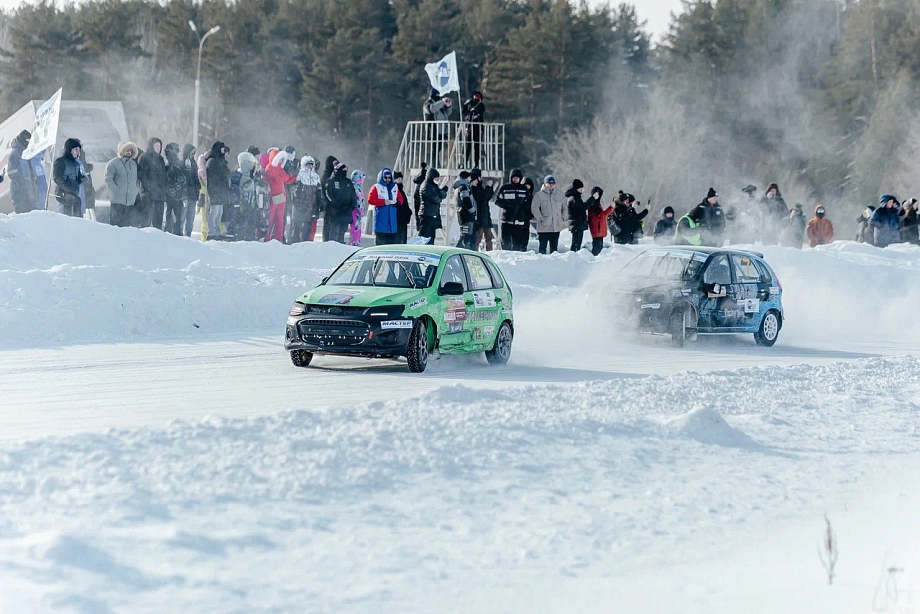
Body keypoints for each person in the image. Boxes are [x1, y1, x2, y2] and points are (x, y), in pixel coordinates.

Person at [263, 149, 298, 243]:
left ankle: (278, 238)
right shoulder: (269, 168)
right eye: (280, 159)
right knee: (270, 219)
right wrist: (288, 176)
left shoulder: (279, 168)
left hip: (281, 197)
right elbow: (280, 178)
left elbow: (286, 180)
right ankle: (267, 237)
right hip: (273, 198)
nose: (281, 161)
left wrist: (294, 176)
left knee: (280, 220)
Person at [104, 142, 139, 227]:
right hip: (117, 202)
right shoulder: (113, 163)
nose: (129, 152)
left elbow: (136, 180)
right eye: (127, 150)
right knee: (116, 227)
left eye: (131, 150)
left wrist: (135, 190)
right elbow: (108, 179)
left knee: (128, 227)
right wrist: (116, 190)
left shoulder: (133, 164)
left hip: (130, 202)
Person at [288, 155, 322, 243]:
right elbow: (294, 190)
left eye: (311, 165)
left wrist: (320, 203)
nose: (309, 167)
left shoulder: (315, 176)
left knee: (308, 226)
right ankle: (293, 241)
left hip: (311, 206)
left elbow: (318, 191)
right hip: (300, 205)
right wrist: (296, 202)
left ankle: (306, 242)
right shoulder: (299, 175)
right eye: (308, 165)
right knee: (297, 225)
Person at [367, 167, 405, 246]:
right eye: (385, 177)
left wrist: (398, 203)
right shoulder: (376, 187)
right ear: (382, 177)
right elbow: (370, 200)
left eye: (389, 178)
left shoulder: (395, 187)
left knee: (391, 246)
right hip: (381, 221)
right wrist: (383, 202)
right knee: (381, 245)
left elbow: (400, 198)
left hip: (392, 223)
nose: (388, 179)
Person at [323, 161, 357, 244]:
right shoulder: (331, 182)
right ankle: (332, 247)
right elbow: (327, 195)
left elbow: (353, 195)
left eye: (346, 171)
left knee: (342, 231)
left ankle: (341, 245)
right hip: (334, 212)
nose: (345, 172)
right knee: (334, 231)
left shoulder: (348, 182)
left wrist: (351, 206)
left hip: (346, 212)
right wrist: (337, 205)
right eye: (343, 170)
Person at [495, 168, 529, 252]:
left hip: (519, 220)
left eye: (517, 177)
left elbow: (528, 201)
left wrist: (522, 209)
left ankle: (516, 258)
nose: (515, 179)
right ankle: (505, 256)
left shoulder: (524, 189)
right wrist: (506, 206)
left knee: (517, 243)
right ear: (511, 178)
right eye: (514, 177)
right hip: (507, 219)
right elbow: (497, 200)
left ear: (520, 178)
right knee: (506, 242)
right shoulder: (505, 188)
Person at [137, 138, 167, 229]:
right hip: (148, 195)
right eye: (156, 146)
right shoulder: (144, 157)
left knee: (158, 223)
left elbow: (163, 177)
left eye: (160, 146)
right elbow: (142, 175)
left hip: (159, 197)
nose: (158, 148)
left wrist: (163, 190)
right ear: (151, 146)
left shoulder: (161, 159)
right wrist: (150, 187)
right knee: (146, 222)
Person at [531, 175, 566, 254]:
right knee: (542, 248)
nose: (551, 184)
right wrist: (541, 219)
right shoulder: (539, 195)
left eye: (553, 183)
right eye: (549, 183)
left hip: (556, 227)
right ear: (545, 183)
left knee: (554, 250)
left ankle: (553, 264)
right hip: (544, 227)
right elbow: (534, 208)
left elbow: (565, 207)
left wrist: (563, 218)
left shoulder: (559, 194)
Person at [205, 141, 232, 241]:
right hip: (215, 191)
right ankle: (211, 232)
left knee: (219, 212)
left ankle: (216, 231)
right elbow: (215, 178)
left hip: (221, 191)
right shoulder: (212, 161)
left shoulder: (220, 161)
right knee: (214, 211)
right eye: (222, 149)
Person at [52, 138, 85, 217]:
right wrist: (68, 189)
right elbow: (57, 178)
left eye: (79, 150)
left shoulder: (76, 163)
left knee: (76, 217)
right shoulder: (60, 162)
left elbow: (77, 177)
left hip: (75, 194)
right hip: (64, 195)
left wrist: (81, 179)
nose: (78, 152)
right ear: (70, 149)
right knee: (67, 218)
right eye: (76, 149)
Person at [231, 151, 259, 241]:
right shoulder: (238, 175)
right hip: (243, 204)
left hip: (251, 203)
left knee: (251, 222)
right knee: (243, 222)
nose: (252, 165)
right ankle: (240, 238)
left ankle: (249, 238)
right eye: (250, 163)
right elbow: (236, 189)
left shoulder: (251, 175)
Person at [8, 130, 37, 213]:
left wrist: (34, 182)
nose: (29, 143)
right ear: (22, 140)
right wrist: (22, 182)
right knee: (22, 214)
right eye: (27, 140)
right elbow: (11, 172)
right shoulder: (15, 153)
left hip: (29, 191)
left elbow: (31, 171)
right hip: (19, 191)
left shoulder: (28, 153)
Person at [163, 143, 187, 235]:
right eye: (176, 150)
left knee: (178, 218)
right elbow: (167, 179)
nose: (177, 152)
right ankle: (170, 233)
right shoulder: (168, 163)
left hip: (178, 195)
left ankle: (177, 233)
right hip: (172, 195)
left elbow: (184, 179)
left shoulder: (178, 162)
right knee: (170, 217)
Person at [418, 167, 447, 245]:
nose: (437, 180)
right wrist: (440, 195)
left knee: (431, 237)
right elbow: (436, 198)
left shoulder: (433, 185)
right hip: (426, 215)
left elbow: (441, 194)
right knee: (424, 237)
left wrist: (444, 189)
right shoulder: (426, 186)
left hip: (432, 215)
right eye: (436, 178)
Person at [470, 168, 494, 251]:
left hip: (485, 217)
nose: (481, 179)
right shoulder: (474, 188)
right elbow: (483, 198)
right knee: (478, 239)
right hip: (479, 218)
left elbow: (488, 197)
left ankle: (490, 252)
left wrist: (490, 188)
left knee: (489, 238)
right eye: (480, 177)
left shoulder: (479, 188)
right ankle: (475, 252)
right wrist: (488, 187)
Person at [454, 170, 477, 250]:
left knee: (465, 235)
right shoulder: (463, 188)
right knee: (465, 236)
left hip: (463, 215)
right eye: (469, 177)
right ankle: (459, 251)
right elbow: (466, 201)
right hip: (466, 216)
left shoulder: (459, 187)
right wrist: (473, 211)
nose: (471, 179)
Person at [462, 91, 486, 167]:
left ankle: (476, 163)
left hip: (477, 127)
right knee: (467, 146)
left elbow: (481, 112)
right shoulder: (469, 103)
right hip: (469, 126)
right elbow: (465, 111)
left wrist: (475, 109)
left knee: (477, 146)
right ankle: (464, 162)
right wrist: (470, 109)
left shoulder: (481, 106)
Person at [586, 187, 611, 256]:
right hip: (597, 230)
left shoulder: (597, 204)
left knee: (599, 248)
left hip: (599, 230)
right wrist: (611, 208)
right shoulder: (593, 205)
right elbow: (601, 216)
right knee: (597, 249)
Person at [181, 145, 199, 236]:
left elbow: (196, 177)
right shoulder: (183, 162)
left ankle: (188, 233)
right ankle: (181, 233)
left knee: (191, 218)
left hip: (193, 194)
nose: (193, 154)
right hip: (186, 194)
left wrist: (197, 189)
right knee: (183, 216)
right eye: (192, 152)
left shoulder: (194, 162)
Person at [565, 179, 588, 252]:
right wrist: (592, 198)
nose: (582, 190)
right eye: (580, 188)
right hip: (576, 224)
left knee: (577, 243)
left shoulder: (575, 197)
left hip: (577, 224)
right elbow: (583, 207)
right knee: (576, 244)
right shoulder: (574, 198)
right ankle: (573, 258)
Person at [350, 169, 367, 246]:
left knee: (355, 228)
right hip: (356, 211)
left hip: (354, 211)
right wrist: (362, 212)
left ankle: (355, 242)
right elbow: (359, 201)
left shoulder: (353, 186)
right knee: (356, 229)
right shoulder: (357, 188)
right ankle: (355, 243)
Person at [394, 171, 411, 244]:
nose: (400, 181)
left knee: (402, 236)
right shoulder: (395, 189)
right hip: (399, 217)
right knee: (400, 237)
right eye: (398, 179)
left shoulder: (400, 190)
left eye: (401, 179)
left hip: (402, 217)